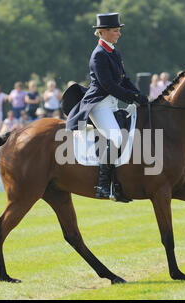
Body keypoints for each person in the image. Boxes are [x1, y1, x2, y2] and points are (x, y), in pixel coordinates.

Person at [65, 12, 148, 200]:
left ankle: (118, 187)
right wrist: (131, 97)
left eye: (119, 30)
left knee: (131, 136)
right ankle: (102, 185)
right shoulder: (98, 55)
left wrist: (139, 95)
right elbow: (108, 85)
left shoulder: (114, 52)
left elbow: (124, 79)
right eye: (116, 30)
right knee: (117, 138)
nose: (119, 34)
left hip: (111, 103)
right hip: (99, 105)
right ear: (103, 32)